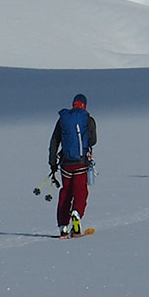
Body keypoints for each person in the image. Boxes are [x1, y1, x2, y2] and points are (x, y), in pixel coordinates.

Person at [49, 94, 97, 236]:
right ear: (84, 105)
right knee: (80, 191)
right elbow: (93, 140)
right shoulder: (88, 119)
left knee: (66, 192)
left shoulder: (63, 119)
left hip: (65, 164)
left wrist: (52, 162)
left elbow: (54, 141)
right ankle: (76, 213)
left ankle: (63, 225)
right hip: (81, 163)